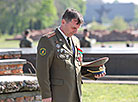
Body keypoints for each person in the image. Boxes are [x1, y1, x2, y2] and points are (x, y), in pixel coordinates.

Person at [36, 8, 106, 102]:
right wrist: (46, 95)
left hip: (75, 92)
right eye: (73, 28)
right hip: (58, 94)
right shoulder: (48, 40)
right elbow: (42, 70)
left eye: (77, 28)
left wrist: (93, 73)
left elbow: (75, 66)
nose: (76, 31)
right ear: (63, 22)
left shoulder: (76, 41)